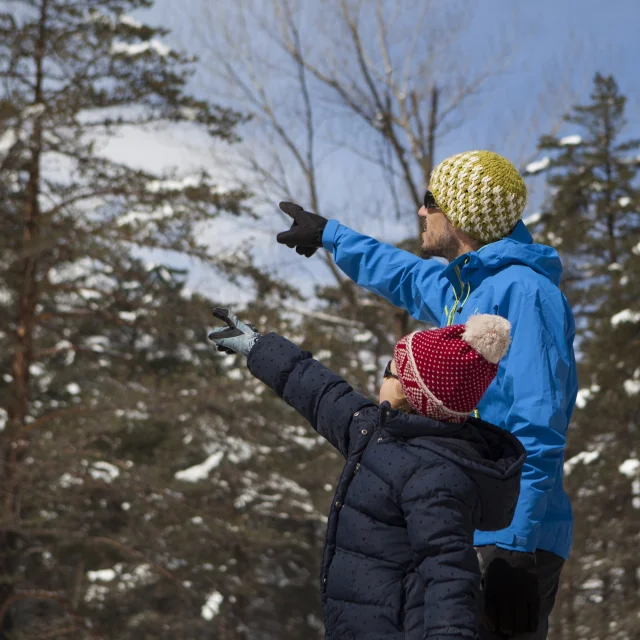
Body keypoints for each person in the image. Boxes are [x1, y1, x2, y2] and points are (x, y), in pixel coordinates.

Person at [275, 150, 578, 639]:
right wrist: (331, 234)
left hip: (511, 538)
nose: (421, 211)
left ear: (460, 215)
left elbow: (537, 426)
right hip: (466, 522)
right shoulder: (468, 286)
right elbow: (402, 274)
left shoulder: (524, 293)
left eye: (430, 200)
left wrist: (515, 550)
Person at [209, 308, 526, 640]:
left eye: (391, 369)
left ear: (411, 392)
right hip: (356, 621)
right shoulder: (375, 432)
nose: (383, 375)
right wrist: (260, 346)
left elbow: (449, 577)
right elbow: (320, 392)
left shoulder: (436, 477)